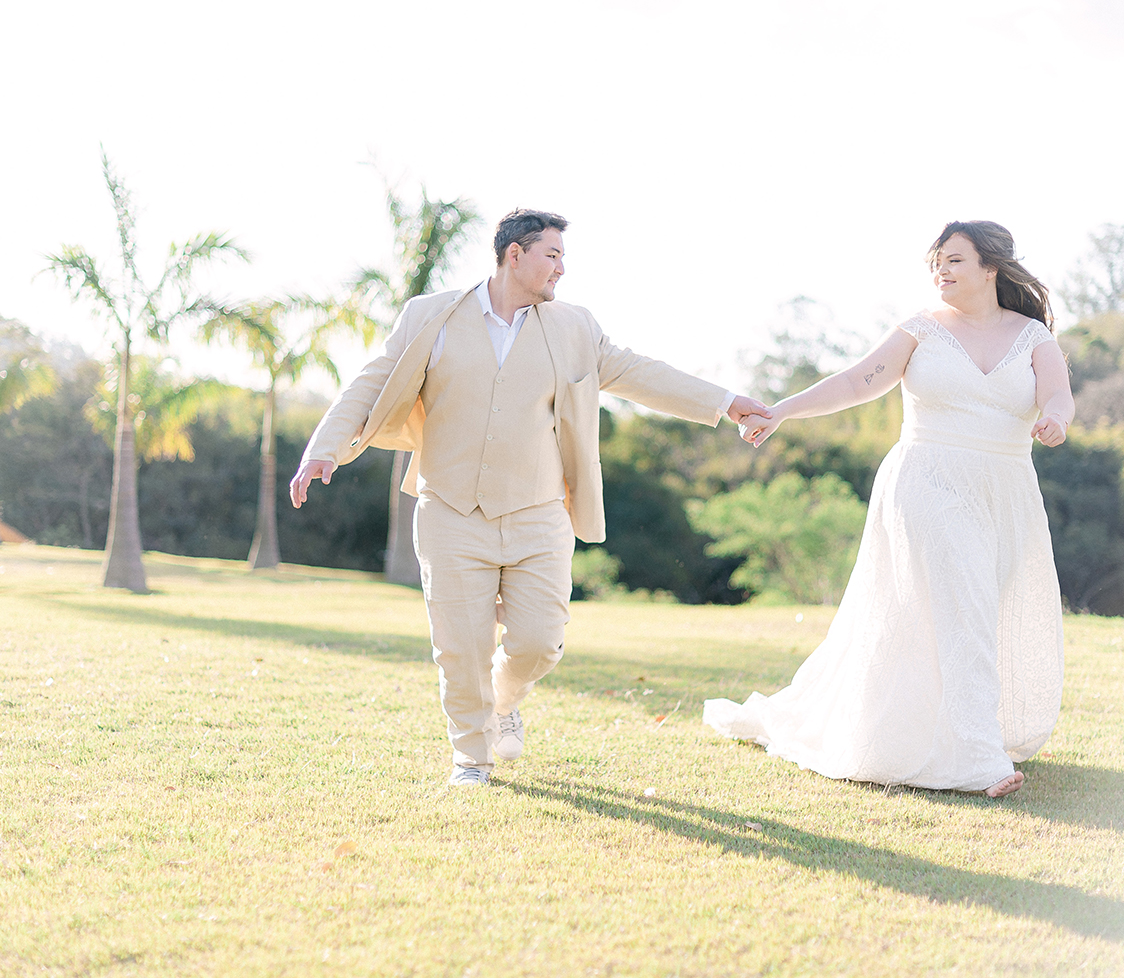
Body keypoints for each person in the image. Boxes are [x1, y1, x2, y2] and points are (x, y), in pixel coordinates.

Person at [291, 209, 771, 786]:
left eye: (563, 258)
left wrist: (724, 402)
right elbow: (371, 381)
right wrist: (325, 446)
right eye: (553, 255)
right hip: (448, 510)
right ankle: (471, 758)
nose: (562, 269)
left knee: (541, 642)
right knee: (459, 648)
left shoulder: (574, 327)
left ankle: (504, 699)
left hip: (539, 512)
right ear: (513, 255)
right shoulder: (432, 316)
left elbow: (639, 372)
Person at [705, 221, 1072, 798]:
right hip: (928, 481)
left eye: (954, 260)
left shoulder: (1032, 336)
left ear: (990, 269)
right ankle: (977, 759)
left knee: (962, 610)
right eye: (936, 262)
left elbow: (1057, 393)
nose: (941, 271)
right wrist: (782, 410)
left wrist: (1056, 419)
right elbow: (856, 381)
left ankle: (932, 730)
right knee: (967, 603)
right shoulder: (920, 331)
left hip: (1004, 489)